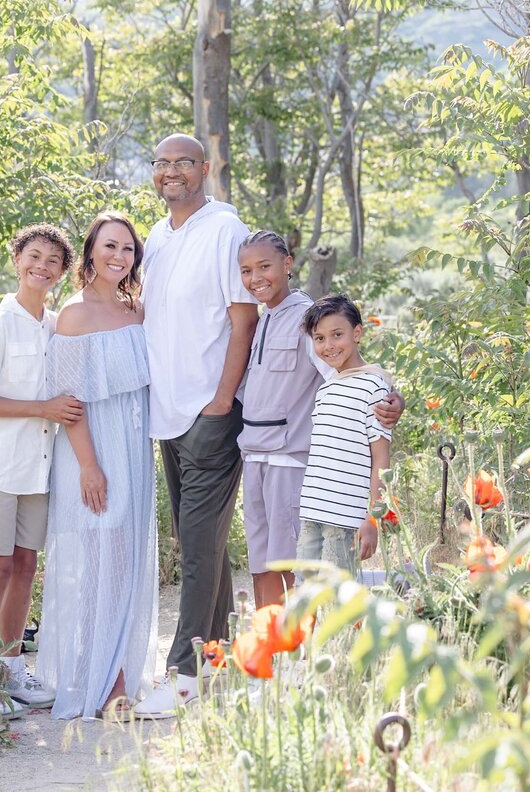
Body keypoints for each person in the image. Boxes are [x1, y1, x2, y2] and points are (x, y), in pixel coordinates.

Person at [132, 134, 259, 719]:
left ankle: (183, 674)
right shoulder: (158, 236)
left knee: (199, 549)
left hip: (211, 412)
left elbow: (242, 321)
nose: (171, 172)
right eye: (161, 164)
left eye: (183, 162)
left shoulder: (224, 231)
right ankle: (220, 660)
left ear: (205, 168)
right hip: (168, 412)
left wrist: (221, 401)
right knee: (199, 543)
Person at [0, 223, 82, 720]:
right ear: (17, 259)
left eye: (53, 260)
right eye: (34, 255)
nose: (42, 266)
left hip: (39, 467)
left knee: (27, 566)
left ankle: (11, 669)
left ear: (62, 271)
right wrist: (42, 408)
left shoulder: (54, 324)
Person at [37, 213, 158, 720]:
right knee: (95, 559)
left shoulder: (138, 311)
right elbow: (68, 401)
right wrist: (89, 467)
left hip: (133, 448)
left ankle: (120, 672)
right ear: (90, 252)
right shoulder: (73, 314)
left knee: (126, 561)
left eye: (128, 249)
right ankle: (98, 679)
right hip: (92, 451)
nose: (119, 256)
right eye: (110, 246)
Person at [236, 230, 331, 607]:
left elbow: (341, 372)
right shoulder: (262, 321)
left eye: (264, 266)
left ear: (287, 264)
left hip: (290, 462)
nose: (255, 278)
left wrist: (390, 398)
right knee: (260, 562)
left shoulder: (309, 319)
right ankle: (269, 648)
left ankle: (298, 654)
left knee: (291, 563)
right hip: (254, 459)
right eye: (246, 270)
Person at [296, 295, 393, 574]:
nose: (328, 346)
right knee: (305, 597)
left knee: (340, 603)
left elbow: (381, 460)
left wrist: (373, 519)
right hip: (312, 512)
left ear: (357, 332)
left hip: (345, 519)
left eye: (337, 335)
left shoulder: (374, 387)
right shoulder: (325, 389)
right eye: (320, 338)